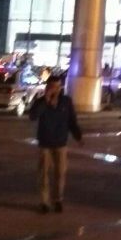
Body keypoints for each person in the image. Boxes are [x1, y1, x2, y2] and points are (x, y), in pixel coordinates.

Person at [29, 75, 83, 214]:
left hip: (60, 143)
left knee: (60, 173)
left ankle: (58, 200)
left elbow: (72, 121)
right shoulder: (40, 102)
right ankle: (44, 202)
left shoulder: (66, 101)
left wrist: (78, 136)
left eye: (58, 87)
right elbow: (33, 116)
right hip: (45, 143)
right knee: (43, 174)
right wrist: (46, 100)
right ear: (47, 87)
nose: (56, 89)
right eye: (53, 86)